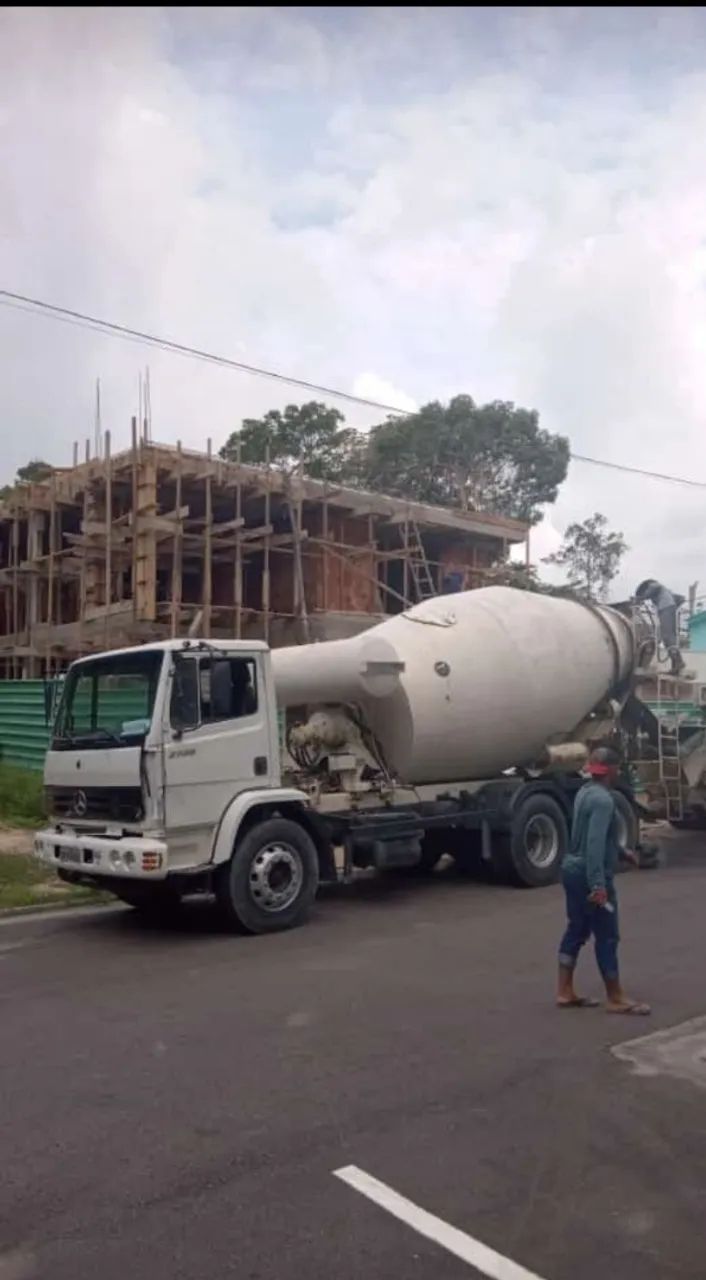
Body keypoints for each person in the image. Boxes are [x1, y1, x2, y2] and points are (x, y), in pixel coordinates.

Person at [557, 746, 651, 1015]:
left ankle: (564, 991)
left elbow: (595, 834)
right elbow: (595, 846)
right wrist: (598, 886)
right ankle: (616, 996)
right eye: (617, 768)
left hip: (572, 870)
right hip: (590, 873)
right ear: (611, 770)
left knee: (577, 929)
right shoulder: (604, 800)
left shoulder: (585, 793)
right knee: (607, 935)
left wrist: (623, 852)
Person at [634, 579, 685, 676]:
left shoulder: (654, 585)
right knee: (667, 637)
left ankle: (678, 662)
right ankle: (676, 666)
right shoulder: (664, 593)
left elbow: (654, 588)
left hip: (666, 609)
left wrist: (640, 598)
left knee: (667, 636)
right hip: (667, 609)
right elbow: (678, 598)